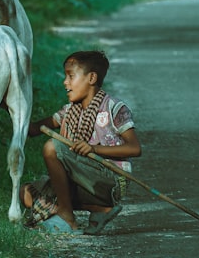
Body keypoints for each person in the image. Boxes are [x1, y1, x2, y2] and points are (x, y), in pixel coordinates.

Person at [21, 50, 141, 235]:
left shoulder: (114, 108)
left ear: (91, 78)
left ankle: (66, 216)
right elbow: (34, 129)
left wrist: (94, 148)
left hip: (109, 180)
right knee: (26, 192)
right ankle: (102, 211)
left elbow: (134, 148)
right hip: (82, 179)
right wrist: (8, 102)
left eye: (70, 76)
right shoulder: (69, 112)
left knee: (52, 148)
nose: (65, 82)